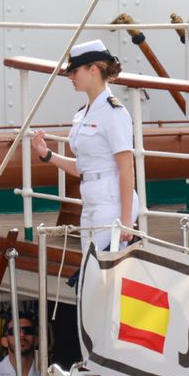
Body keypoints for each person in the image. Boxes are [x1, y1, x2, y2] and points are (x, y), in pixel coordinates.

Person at [33, 39, 138, 252]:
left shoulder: (114, 112)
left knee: (103, 271)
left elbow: (126, 167)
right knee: (92, 270)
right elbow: (82, 167)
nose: (71, 77)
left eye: (75, 71)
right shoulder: (82, 114)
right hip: (90, 202)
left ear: (93, 70)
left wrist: (126, 220)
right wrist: (47, 155)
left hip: (110, 204)